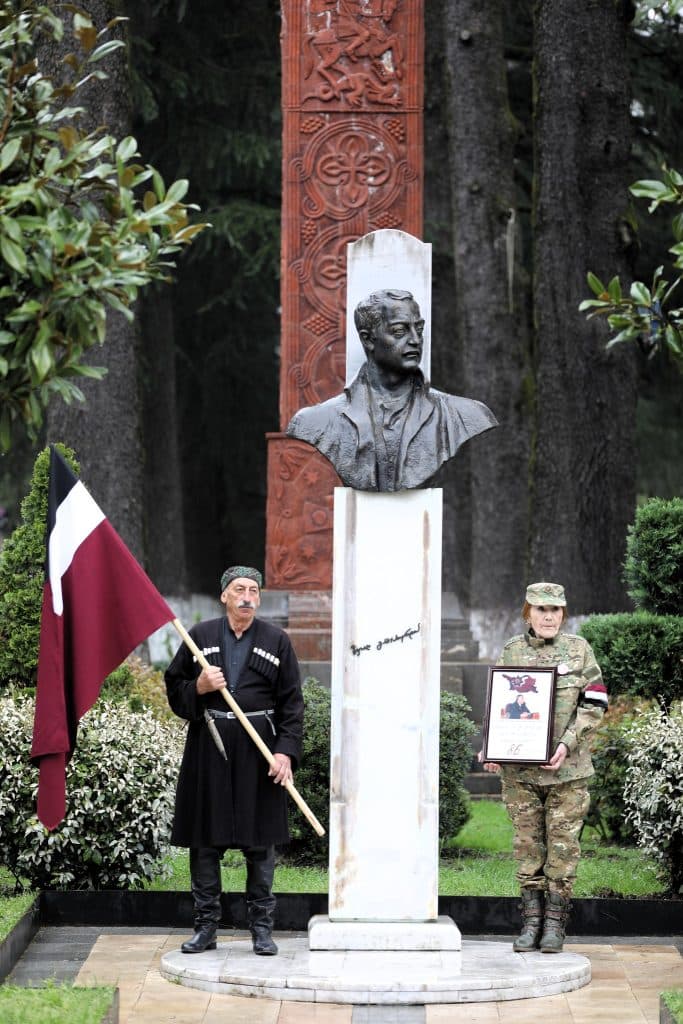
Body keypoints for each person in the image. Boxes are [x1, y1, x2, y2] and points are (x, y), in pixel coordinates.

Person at [165, 566, 304, 956]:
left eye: (254, 590)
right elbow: (174, 688)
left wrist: (285, 752)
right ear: (224, 595)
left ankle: (261, 929)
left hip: (259, 753)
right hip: (209, 750)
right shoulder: (200, 637)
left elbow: (292, 704)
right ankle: (205, 928)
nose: (247, 596)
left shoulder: (277, 641)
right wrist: (199, 686)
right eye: (239, 589)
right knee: (205, 844)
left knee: (260, 846)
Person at [481, 582, 608, 953]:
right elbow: (501, 704)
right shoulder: (513, 650)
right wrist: (493, 746)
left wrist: (568, 742)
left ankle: (554, 926)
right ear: (528, 613)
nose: (548, 616)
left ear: (563, 614)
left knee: (563, 848)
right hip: (521, 775)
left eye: (555, 610)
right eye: (541, 609)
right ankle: (531, 923)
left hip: (568, 774)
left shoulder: (579, 650)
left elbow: (596, 700)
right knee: (527, 847)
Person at [286, 289, 497, 491]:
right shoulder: (317, 421)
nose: (415, 340)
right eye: (399, 331)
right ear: (367, 339)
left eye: (419, 329)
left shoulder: (460, 414)